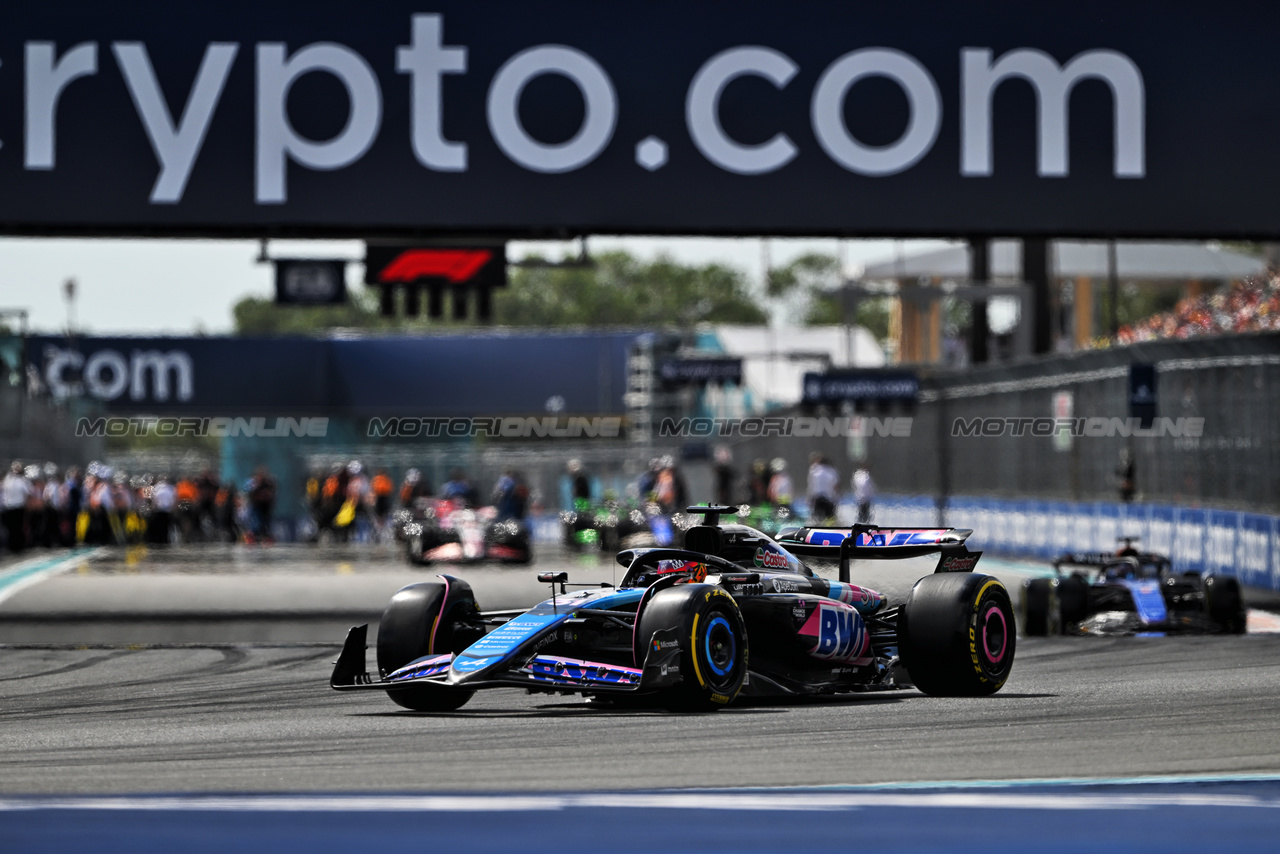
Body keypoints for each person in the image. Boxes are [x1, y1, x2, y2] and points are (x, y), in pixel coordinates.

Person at [2, 461, 31, 553]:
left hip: (19, 507)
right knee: (10, 528)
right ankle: (12, 546)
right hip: (9, 507)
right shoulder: (8, 479)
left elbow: (28, 492)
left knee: (18, 528)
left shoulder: (22, 480)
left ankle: (18, 547)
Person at [806, 453, 839, 523]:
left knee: (817, 519)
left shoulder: (814, 471)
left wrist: (809, 499)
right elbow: (835, 486)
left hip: (818, 498)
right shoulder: (831, 471)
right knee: (830, 519)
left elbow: (811, 486)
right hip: (828, 498)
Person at [149, 475, 176, 544]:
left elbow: (154, 500)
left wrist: (153, 508)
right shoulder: (171, 488)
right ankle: (166, 540)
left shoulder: (157, 488)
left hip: (159, 510)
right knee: (166, 527)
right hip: (167, 511)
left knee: (160, 526)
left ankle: (160, 540)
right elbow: (173, 500)